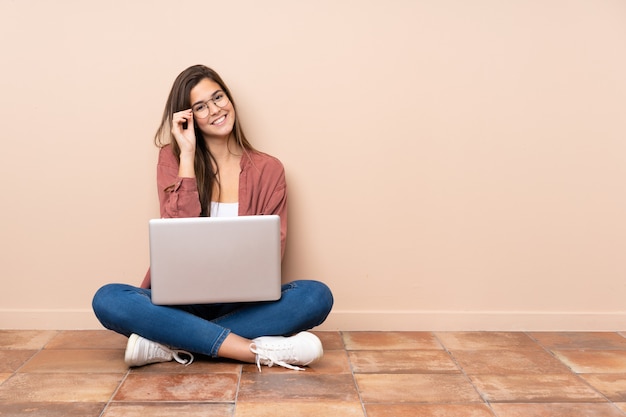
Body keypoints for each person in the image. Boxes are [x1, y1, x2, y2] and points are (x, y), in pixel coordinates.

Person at [92, 65, 333, 371]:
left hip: (244, 302)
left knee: (315, 296)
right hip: (179, 301)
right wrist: (188, 156)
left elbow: (273, 250)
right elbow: (175, 233)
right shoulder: (173, 158)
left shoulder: (269, 169)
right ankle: (252, 350)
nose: (215, 110)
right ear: (188, 117)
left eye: (218, 97)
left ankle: (170, 341)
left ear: (229, 98)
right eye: (200, 107)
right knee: (108, 298)